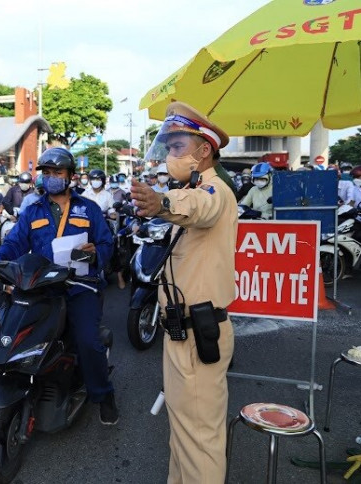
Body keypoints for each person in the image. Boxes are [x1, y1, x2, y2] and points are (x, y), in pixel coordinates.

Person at [130, 102, 236, 483]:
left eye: (177, 147)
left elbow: (199, 207)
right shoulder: (193, 187)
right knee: (183, 435)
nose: (170, 155)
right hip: (183, 331)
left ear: (203, 150)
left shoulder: (212, 190)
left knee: (199, 441)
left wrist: (162, 203)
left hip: (197, 332)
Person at [0, 147, 119, 425]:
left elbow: (107, 244)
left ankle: (103, 395)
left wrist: (95, 252)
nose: (52, 177)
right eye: (47, 173)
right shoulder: (32, 211)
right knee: (12, 332)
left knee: (88, 342)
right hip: (40, 287)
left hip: (81, 286)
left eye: (58, 172)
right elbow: (14, 243)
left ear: (69, 176)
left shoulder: (88, 208)